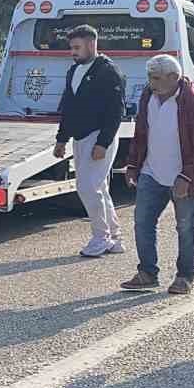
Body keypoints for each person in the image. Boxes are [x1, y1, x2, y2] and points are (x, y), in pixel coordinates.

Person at [120, 54, 194, 295]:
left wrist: (188, 178)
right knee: (142, 223)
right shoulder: (147, 96)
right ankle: (147, 273)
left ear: (174, 78)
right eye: (150, 78)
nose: (151, 83)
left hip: (182, 177)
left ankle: (185, 276)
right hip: (151, 172)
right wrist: (132, 165)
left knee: (185, 227)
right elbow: (140, 134)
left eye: (156, 78)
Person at [53, 24, 127, 258]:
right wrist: (61, 139)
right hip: (80, 137)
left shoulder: (109, 71)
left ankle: (100, 237)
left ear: (92, 44)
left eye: (77, 47)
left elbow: (116, 111)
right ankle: (113, 238)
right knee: (98, 188)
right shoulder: (73, 71)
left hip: (98, 136)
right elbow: (69, 107)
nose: (72, 52)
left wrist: (102, 143)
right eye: (71, 48)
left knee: (88, 187)